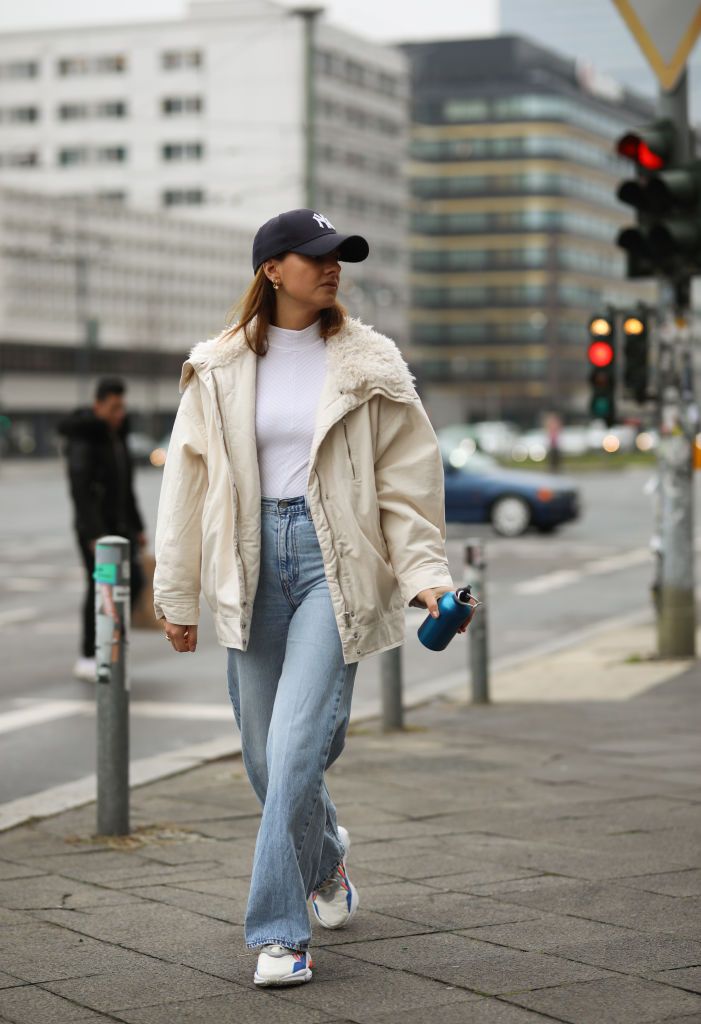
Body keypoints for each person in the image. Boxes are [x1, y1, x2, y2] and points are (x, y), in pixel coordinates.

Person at [152, 208, 472, 989]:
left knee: (298, 747)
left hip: (335, 564)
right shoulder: (218, 365)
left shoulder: (371, 364)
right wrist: (176, 592)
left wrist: (428, 581)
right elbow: (185, 487)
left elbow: (407, 491)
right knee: (267, 759)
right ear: (271, 270)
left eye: (339, 258)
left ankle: (278, 932)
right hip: (251, 560)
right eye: (315, 256)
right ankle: (325, 858)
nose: (332, 268)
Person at [57, 377, 147, 681]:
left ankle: (109, 645)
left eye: (122, 407)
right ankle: (88, 654)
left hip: (120, 528)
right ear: (98, 405)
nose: (120, 413)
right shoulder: (85, 438)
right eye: (114, 407)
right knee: (100, 587)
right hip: (95, 533)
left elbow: (125, 487)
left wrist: (137, 526)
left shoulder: (115, 434)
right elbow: (80, 489)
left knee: (131, 581)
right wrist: (94, 534)